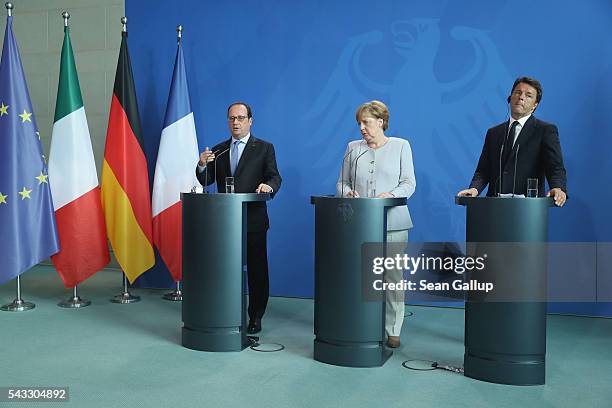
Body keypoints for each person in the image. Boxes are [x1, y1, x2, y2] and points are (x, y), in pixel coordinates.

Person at [336, 100, 416, 348]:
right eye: (359, 123)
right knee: (361, 276)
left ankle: (393, 329)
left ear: (381, 122)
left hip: (393, 223)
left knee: (391, 277)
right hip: (359, 224)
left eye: (366, 122)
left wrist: (389, 195)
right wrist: (348, 193)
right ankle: (364, 323)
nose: (361, 127)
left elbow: (409, 184)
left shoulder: (401, 146)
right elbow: (342, 183)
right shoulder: (353, 148)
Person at [196, 102, 282, 334]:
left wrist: (268, 186)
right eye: (232, 118)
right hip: (225, 222)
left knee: (256, 270)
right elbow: (206, 181)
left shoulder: (264, 148)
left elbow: (275, 177)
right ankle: (227, 311)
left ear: (250, 121)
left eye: (241, 118)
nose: (236, 122)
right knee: (226, 269)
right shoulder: (219, 149)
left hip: (253, 219)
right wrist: (203, 165)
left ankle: (255, 316)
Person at [457, 77, 567, 206]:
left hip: (527, 209)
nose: (521, 97)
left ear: (535, 105)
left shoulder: (545, 130)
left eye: (528, 95)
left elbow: (555, 168)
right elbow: (483, 170)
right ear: (510, 98)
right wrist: (474, 189)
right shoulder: (494, 133)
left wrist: (558, 188)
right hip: (493, 209)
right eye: (517, 92)